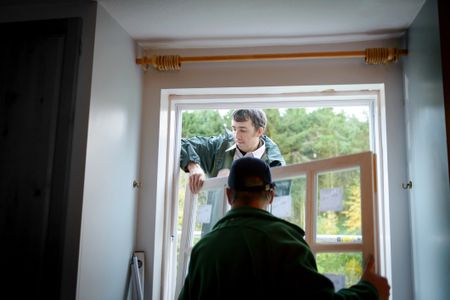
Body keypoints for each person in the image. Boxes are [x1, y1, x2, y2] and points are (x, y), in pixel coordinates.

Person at [178, 157, 390, 300]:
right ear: (271, 195)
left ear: (228, 194)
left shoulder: (202, 250)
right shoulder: (286, 243)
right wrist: (369, 290)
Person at [180, 109, 285, 194]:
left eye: (243, 130)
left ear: (259, 131)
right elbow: (180, 143)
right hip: (220, 219)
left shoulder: (275, 162)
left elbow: (280, 204)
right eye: (234, 129)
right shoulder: (217, 147)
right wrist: (193, 166)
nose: (236, 135)